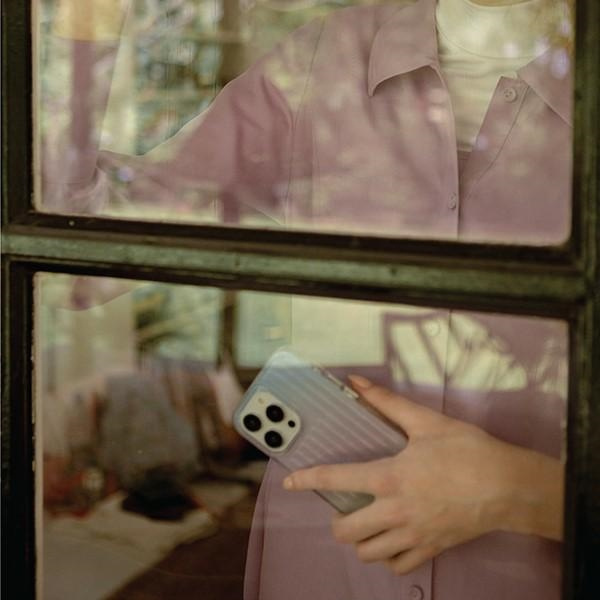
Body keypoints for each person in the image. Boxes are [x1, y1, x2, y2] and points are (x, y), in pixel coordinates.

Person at [43, 1, 572, 598]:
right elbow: (75, 257)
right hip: (327, 558)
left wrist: (521, 491)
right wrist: (82, 35)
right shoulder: (323, 58)